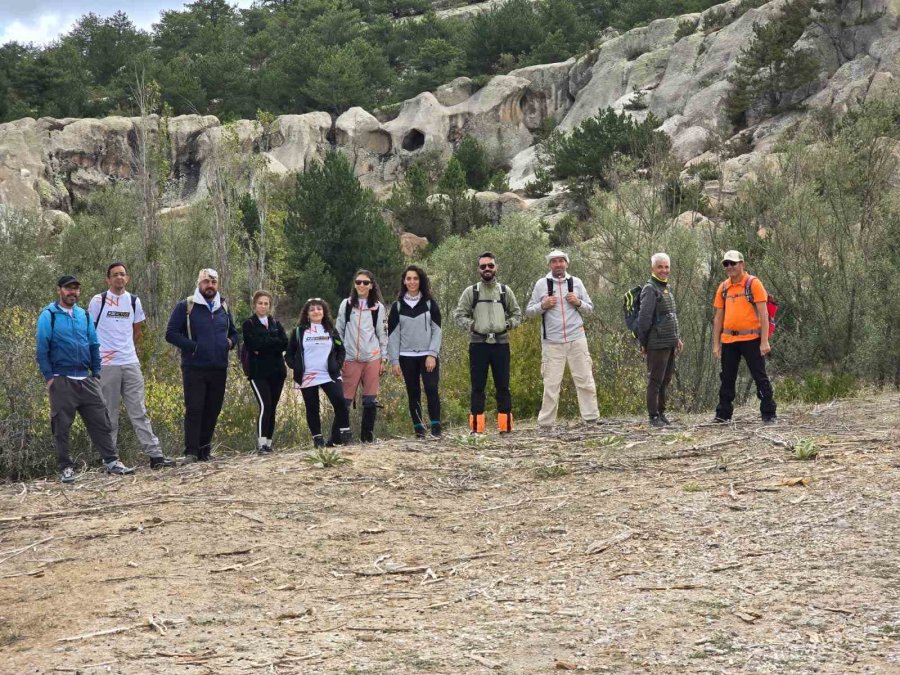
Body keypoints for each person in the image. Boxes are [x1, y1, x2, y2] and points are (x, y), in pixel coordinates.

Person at [36, 275, 135, 483]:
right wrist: (49, 378)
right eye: (68, 288)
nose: (72, 292)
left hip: (86, 379)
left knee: (102, 422)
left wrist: (96, 374)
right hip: (62, 380)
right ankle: (66, 468)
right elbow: (42, 348)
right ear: (59, 290)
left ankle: (112, 462)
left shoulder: (84, 316)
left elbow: (93, 345)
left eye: (76, 289)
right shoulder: (49, 315)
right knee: (61, 427)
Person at [88, 262, 175, 468]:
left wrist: (126, 350)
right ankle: (110, 460)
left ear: (127, 278)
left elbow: (137, 331)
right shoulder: (98, 301)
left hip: (130, 362)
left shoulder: (134, 301)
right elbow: (89, 332)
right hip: (107, 365)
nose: (119, 278)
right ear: (108, 279)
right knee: (109, 413)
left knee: (139, 411)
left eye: (123, 274)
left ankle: (156, 456)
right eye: (115, 275)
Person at [165, 268, 239, 462]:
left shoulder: (223, 306)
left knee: (213, 409)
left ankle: (205, 451)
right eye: (206, 281)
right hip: (194, 367)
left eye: (213, 282)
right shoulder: (186, 306)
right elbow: (171, 333)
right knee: (195, 409)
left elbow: (234, 333)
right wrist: (194, 347)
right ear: (199, 283)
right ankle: (191, 452)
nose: (210, 285)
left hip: (219, 367)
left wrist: (229, 343)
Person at [526, 250, 600, 428]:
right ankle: (546, 424)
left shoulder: (577, 283)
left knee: (585, 380)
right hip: (552, 342)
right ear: (549, 265)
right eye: (554, 261)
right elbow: (529, 311)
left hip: (577, 338)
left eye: (561, 261)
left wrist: (578, 302)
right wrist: (543, 306)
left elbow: (590, 309)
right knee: (551, 384)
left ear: (566, 263)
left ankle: (591, 419)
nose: (558, 264)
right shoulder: (541, 284)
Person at [453, 252, 522, 435]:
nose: (487, 269)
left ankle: (506, 428)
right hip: (478, 345)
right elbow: (459, 315)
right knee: (477, 387)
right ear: (478, 269)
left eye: (490, 265)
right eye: (483, 266)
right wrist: (473, 325)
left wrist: (507, 324)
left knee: (503, 386)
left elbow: (517, 314)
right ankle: (477, 430)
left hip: (501, 344)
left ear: (496, 267)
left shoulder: (505, 291)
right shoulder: (471, 292)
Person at [712, 250, 777, 424]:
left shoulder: (753, 284)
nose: (730, 267)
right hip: (729, 340)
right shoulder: (723, 287)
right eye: (726, 264)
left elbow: (764, 314)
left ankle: (768, 413)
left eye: (733, 263)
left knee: (759, 376)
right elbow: (718, 317)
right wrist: (716, 344)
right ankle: (723, 414)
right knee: (727, 378)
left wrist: (764, 341)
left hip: (752, 339)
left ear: (742, 264)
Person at [286, 298, 352, 448]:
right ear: (307, 314)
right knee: (312, 408)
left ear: (324, 312)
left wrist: (338, 364)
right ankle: (318, 439)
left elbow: (341, 349)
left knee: (340, 402)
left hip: (329, 374)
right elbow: (289, 354)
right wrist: (295, 366)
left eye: (319, 309)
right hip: (307, 376)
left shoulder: (330, 330)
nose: (316, 311)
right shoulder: (299, 331)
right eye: (312, 309)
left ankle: (345, 434)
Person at [387, 265, 443, 439]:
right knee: (413, 392)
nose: (412, 282)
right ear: (404, 281)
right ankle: (419, 429)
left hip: (428, 356)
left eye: (415, 278)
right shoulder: (397, 307)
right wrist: (394, 361)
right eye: (409, 278)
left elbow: (437, 331)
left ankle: (436, 427)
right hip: (406, 357)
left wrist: (432, 354)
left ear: (421, 281)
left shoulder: (430, 304)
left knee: (431, 389)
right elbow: (393, 336)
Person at [335, 270, 388, 443]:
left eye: (365, 282)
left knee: (370, 401)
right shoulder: (347, 304)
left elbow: (382, 334)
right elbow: (338, 332)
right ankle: (340, 437)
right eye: (358, 282)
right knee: (344, 402)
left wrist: (384, 358)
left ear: (372, 285)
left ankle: (367, 438)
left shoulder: (378, 308)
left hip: (372, 358)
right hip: (350, 358)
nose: (361, 285)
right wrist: (339, 357)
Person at [636, 253, 684, 428]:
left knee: (666, 379)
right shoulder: (650, 289)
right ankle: (653, 416)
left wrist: (677, 338)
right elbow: (644, 319)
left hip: (669, 342)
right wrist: (643, 343)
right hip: (656, 343)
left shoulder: (665, 287)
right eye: (660, 267)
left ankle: (662, 414)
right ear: (652, 269)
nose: (664, 270)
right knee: (655, 380)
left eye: (666, 267)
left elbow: (670, 316)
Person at [241, 290, 289, 454]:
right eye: (260, 303)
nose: (263, 306)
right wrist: (272, 343)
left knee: (273, 407)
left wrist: (266, 344)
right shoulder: (249, 324)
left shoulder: (276, 323)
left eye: (266, 303)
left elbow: (284, 343)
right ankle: (261, 444)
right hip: (258, 373)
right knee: (265, 405)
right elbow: (253, 344)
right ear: (254, 304)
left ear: (270, 305)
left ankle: (268, 443)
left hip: (277, 372)